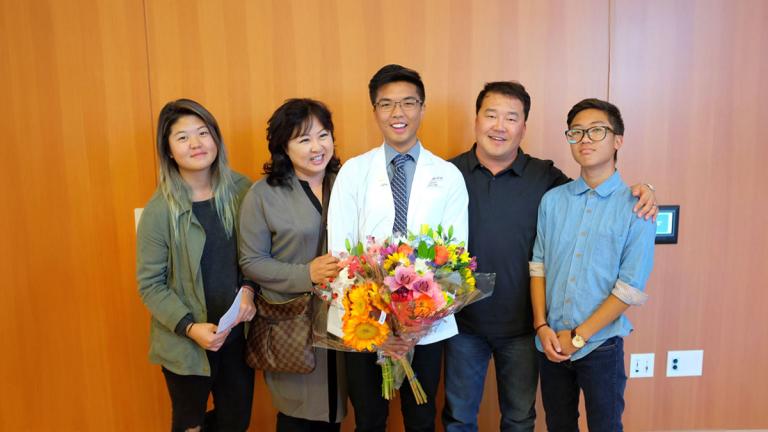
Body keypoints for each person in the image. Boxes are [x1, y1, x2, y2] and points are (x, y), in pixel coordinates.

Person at [443, 83, 658, 432]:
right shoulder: (447, 174)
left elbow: (595, 188)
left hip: (525, 328)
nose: (500, 126)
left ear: (523, 127)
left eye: (511, 117)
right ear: (477, 120)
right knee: (458, 418)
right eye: (491, 115)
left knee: (520, 418)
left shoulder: (544, 177)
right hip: (462, 324)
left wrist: (646, 189)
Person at [327, 64, 468, 432]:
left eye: (408, 102)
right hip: (364, 319)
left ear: (422, 108)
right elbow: (340, 251)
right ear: (374, 110)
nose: (397, 113)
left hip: (426, 321)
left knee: (421, 418)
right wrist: (378, 323)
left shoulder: (448, 176)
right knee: (369, 419)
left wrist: (411, 326)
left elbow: (455, 255)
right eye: (386, 104)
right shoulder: (353, 172)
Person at [529, 98, 656, 431]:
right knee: (558, 425)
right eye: (577, 132)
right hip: (551, 342)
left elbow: (629, 288)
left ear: (618, 140)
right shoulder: (552, 201)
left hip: (601, 345)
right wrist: (541, 327)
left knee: (605, 426)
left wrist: (578, 337)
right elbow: (538, 267)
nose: (585, 139)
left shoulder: (637, 207)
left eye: (596, 131)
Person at [136, 99, 256, 432]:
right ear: (169, 150)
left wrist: (249, 290)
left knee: (235, 422)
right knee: (190, 424)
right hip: (185, 343)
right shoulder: (159, 211)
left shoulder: (243, 191)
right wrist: (190, 328)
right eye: (182, 137)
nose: (196, 143)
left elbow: (257, 254)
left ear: (215, 138)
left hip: (236, 336)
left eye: (203, 133)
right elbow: (150, 285)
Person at [239, 98, 347, 431]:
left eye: (323, 135)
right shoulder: (262, 195)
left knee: (337, 412)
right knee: (297, 415)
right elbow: (251, 262)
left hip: (345, 321)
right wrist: (307, 274)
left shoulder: (347, 182)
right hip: (293, 324)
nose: (317, 147)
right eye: (303, 139)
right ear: (283, 147)